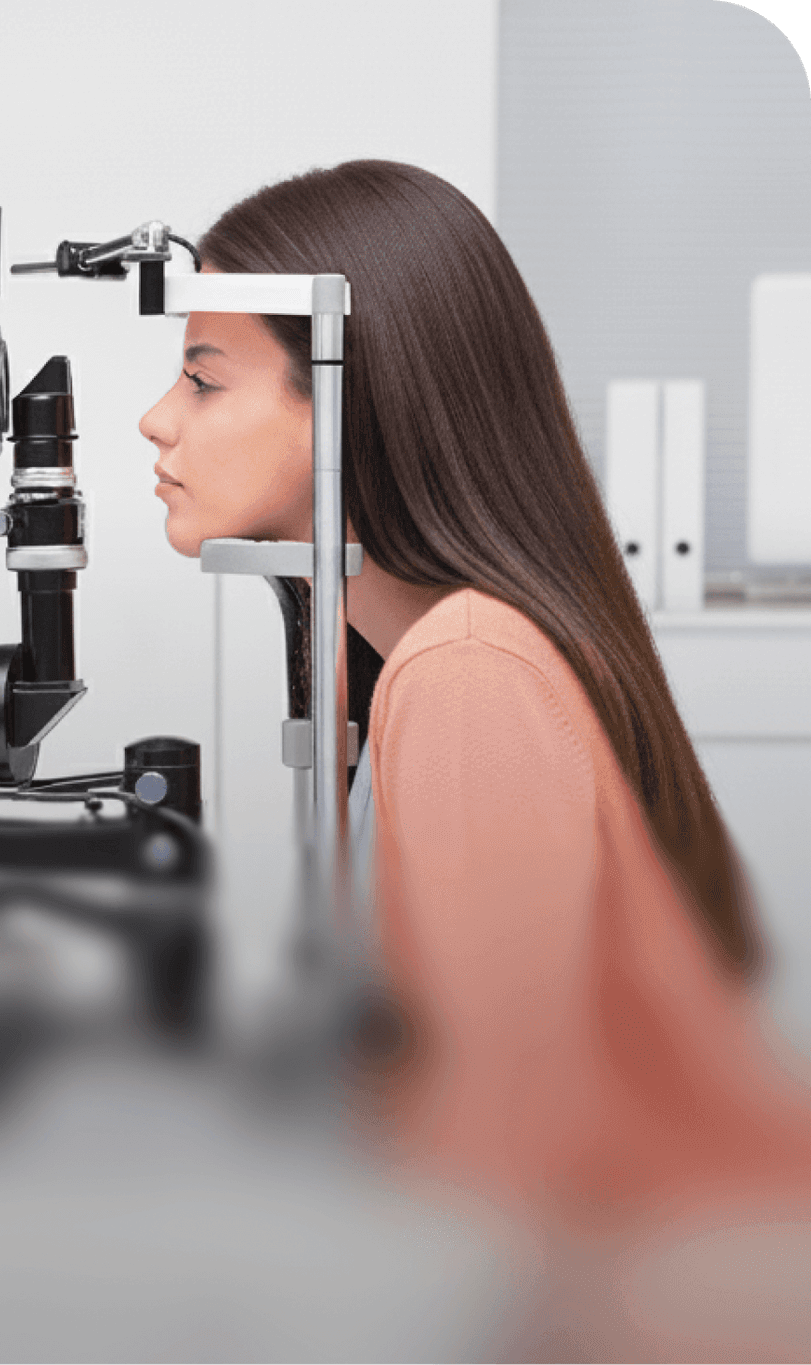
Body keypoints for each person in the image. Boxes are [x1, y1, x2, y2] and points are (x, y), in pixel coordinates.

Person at [138, 159, 811, 1358]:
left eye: (203, 379)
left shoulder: (465, 677)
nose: (157, 419)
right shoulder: (423, 654)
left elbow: (504, 1148)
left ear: (353, 399)